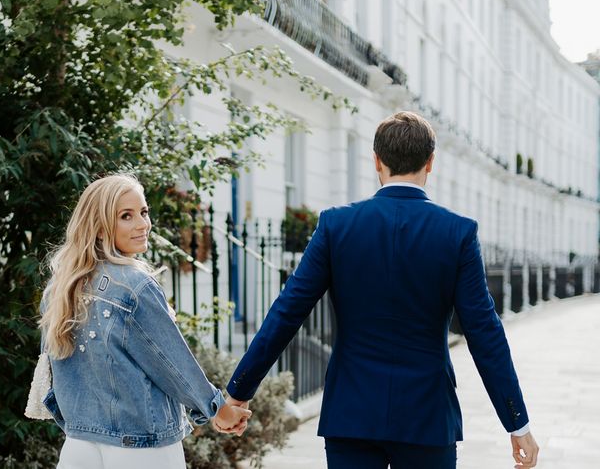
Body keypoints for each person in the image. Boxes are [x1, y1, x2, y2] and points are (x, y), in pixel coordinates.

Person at [219, 112, 539, 468]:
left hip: (351, 413)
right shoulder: (457, 233)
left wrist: (238, 393)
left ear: (376, 161)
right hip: (427, 417)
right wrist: (517, 422)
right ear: (430, 163)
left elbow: (287, 311)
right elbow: (484, 332)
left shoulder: (336, 225)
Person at [35, 173, 250, 469]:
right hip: (140, 445)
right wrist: (217, 409)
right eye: (126, 216)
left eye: (144, 212)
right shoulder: (134, 287)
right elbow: (172, 363)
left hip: (79, 444)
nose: (142, 224)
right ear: (99, 228)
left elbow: (51, 368)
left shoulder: (61, 286)